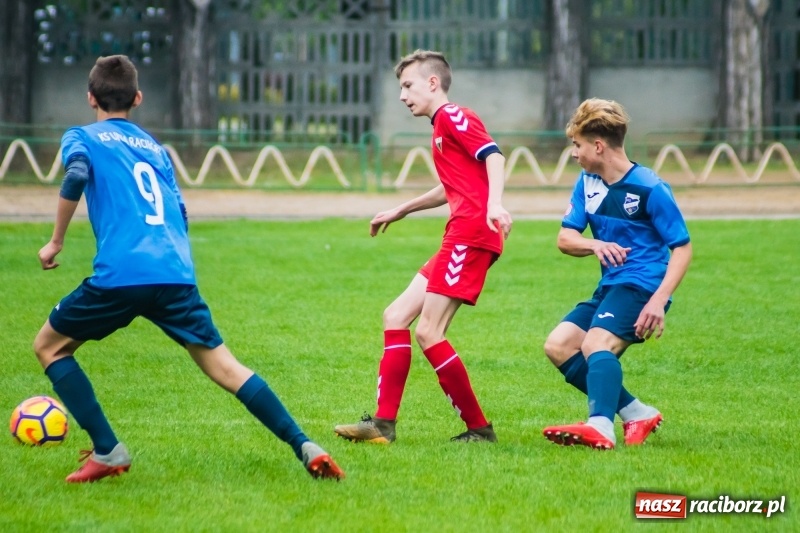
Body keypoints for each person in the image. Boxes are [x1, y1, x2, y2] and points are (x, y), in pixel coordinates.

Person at [33, 55, 344, 482]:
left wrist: (56, 241)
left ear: (91, 98)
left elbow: (76, 175)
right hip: (175, 272)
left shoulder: (81, 136)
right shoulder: (156, 149)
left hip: (122, 273)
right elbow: (179, 210)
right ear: (137, 98)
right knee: (226, 368)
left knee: (49, 347)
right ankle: (304, 444)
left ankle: (107, 450)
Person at [333, 50, 513, 444]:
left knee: (429, 332)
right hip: (461, 232)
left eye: (408, 85)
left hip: (470, 233)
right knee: (396, 315)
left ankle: (479, 430)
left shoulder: (453, 115)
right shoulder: (440, 127)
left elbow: (494, 156)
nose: (402, 96)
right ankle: (382, 425)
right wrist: (402, 209)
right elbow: (452, 186)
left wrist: (495, 205)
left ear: (433, 83)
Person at [541, 98, 692, 450]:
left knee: (595, 343)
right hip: (611, 286)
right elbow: (565, 239)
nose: (574, 153)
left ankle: (600, 426)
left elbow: (682, 248)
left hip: (643, 286)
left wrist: (658, 301)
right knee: (559, 346)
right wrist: (594, 245)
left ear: (598, 146)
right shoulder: (587, 183)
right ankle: (637, 412)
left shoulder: (650, 187)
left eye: (577, 145)